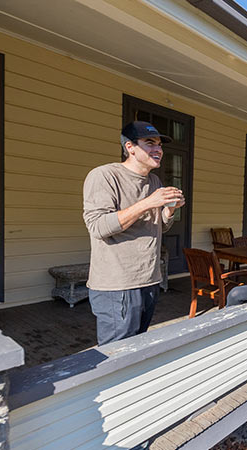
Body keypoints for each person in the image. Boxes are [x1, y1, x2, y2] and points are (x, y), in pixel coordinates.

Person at [82, 121, 185, 345]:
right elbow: (98, 227)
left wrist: (169, 211)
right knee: (117, 355)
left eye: (159, 145)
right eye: (150, 143)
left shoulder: (154, 181)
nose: (158, 149)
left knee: (137, 348)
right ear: (130, 147)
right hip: (117, 286)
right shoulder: (105, 176)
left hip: (149, 279)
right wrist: (148, 202)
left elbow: (158, 227)